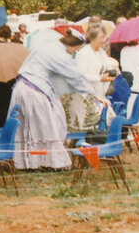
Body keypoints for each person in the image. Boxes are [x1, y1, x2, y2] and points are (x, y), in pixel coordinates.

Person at [10, 31, 109, 170]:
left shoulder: (49, 47)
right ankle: (43, 163)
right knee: (45, 126)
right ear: (72, 45)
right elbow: (75, 76)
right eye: (76, 49)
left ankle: (32, 162)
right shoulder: (60, 54)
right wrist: (94, 94)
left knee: (34, 126)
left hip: (24, 87)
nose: (75, 52)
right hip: (33, 90)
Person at [65, 26, 113, 132]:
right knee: (104, 119)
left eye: (105, 37)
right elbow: (79, 77)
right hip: (84, 96)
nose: (104, 40)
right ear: (92, 38)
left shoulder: (101, 53)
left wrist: (112, 73)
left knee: (108, 117)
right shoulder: (84, 53)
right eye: (101, 37)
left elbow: (107, 68)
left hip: (98, 94)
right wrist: (99, 78)